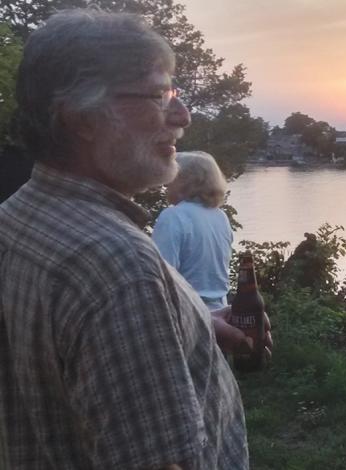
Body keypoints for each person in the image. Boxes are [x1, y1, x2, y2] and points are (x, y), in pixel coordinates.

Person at [0, 10, 269, 469]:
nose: (182, 117)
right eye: (159, 95)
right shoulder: (116, 265)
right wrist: (142, 303)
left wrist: (190, 325)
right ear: (82, 117)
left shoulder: (18, 217)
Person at [153, 151, 233, 310]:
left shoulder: (173, 216)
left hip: (188, 313)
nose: (166, 184)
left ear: (185, 181)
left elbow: (160, 277)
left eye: (172, 176)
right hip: (221, 311)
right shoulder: (220, 217)